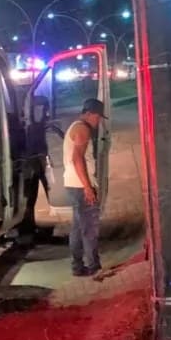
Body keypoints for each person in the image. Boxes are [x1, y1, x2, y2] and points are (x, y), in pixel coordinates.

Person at [64, 98, 107, 277]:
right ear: (89, 114)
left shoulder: (75, 126)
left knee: (77, 228)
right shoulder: (82, 129)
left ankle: (77, 266)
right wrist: (88, 188)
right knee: (89, 227)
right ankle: (93, 267)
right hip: (80, 186)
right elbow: (77, 159)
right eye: (97, 117)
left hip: (73, 185)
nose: (98, 122)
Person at [17, 95, 63, 243]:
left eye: (42, 108)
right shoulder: (33, 127)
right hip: (34, 162)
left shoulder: (42, 125)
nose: (42, 112)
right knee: (31, 196)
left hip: (38, 161)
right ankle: (26, 228)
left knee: (34, 195)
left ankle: (27, 227)